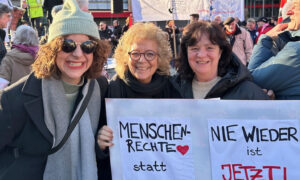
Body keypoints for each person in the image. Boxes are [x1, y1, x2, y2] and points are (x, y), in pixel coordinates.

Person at [0, 0, 111, 179]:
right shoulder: (15, 98)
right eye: (67, 45)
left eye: (87, 46)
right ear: (52, 50)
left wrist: (100, 145)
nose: (77, 54)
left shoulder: (100, 88)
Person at [97, 22, 181, 179]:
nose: (142, 60)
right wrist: (100, 143)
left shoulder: (173, 90)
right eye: (135, 53)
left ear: (160, 57)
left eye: (150, 54)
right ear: (125, 56)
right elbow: (101, 153)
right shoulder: (112, 90)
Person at [171, 21, 269, 100]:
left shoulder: (247, 93)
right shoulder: (172, 89)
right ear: (186, 52)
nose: (201, 55)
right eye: (194, 48)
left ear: (220, 52)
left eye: (209, 47)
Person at [248, 0, 300, 100]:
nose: (289, 12)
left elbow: (251, 82)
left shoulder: (295, 51)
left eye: (296, 7)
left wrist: (265, 39)